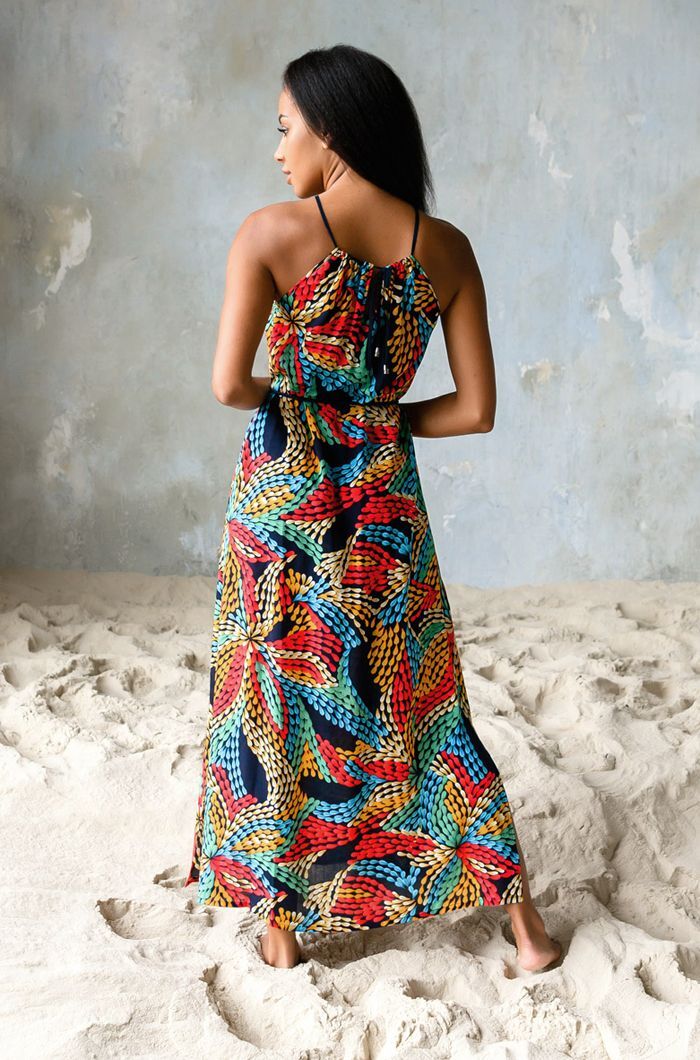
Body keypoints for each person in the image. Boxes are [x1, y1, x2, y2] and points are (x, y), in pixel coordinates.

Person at [185, 44, 562, 975]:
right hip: (385, 507)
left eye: (286, 128)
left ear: (332, 132)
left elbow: (229, 384)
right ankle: (526, 929)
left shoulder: (269, 234)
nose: (278, 149)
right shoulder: (447, 250)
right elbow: (476, 409)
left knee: (276, 695)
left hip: (284, 503)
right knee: (422, 701)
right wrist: (377, 417)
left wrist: (312, 402)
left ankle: (281, 926)